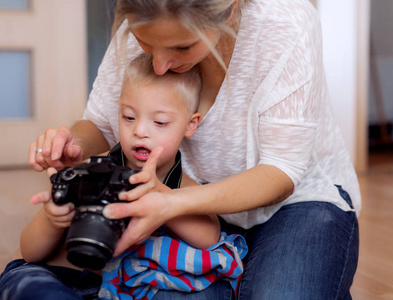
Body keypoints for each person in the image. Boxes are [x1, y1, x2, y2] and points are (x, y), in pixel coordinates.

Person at [28, 0, 361, 299]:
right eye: (146, 43)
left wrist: (170, 202)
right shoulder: (146, 16)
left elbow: (281, 169)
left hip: (296, 203)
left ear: (229, 7)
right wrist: (74, 144)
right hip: (186, 210)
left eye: (181, 46)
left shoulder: (285, 22)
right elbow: (99, 124)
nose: (159, 64)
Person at [1, 53, 246, 300]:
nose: (139, 131)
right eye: (128, 117)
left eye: (160, 122)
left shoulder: (180, 186)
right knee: (27, 283)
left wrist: (161, 195)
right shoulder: (94, 170)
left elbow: (210, 238)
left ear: (190, 125)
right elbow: (30, 253)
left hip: (118, 290)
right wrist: (52, 218)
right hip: (61, 277)